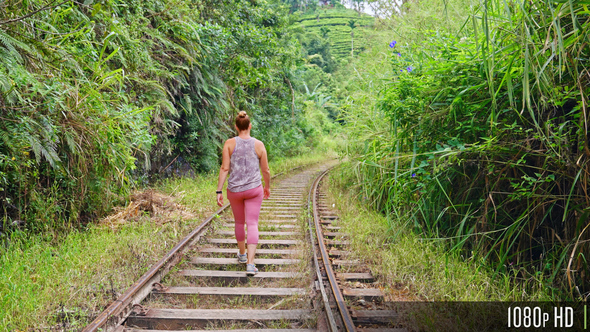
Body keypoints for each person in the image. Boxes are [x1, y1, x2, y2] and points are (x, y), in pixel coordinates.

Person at [216, 111, 271, 276]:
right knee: (252, 223)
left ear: (236, 127)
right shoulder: (259, 145)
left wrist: (219, 190)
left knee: (239, 222)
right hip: (254, 189)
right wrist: (267, 186)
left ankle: (242, 255)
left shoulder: (229, 143)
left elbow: (225, 168)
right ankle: (250, 264)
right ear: (250, 126)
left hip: (234, 190)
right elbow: (266, 170)